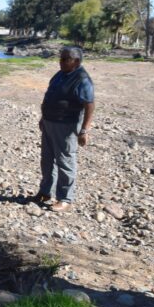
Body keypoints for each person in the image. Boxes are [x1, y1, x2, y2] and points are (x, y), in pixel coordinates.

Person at [35, 46, 95, 212]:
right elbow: (50, 96)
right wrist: (43, 117)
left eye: (64, 59)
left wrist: (84, 130)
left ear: (75, 61)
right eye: (60, 58)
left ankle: (65, 198)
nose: (60, 62)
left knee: (65, 162)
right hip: (49, 123)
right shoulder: (60, 74)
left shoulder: (82, 79)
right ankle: (45, 191)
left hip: (66, 126)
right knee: (47, 160)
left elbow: (89, 105)